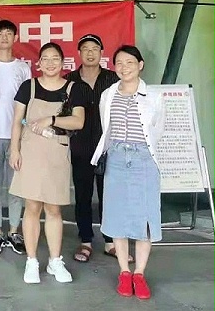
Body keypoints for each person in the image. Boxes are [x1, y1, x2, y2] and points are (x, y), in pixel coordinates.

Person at [90, 45, 165, 300]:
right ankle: (124, 271)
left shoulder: (153, 97)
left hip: (144, 159)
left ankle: (139, 273)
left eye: (130, 62)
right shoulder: (109, 94)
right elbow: (106, 127)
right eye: (119, 63)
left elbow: (158, 129)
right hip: (117, 159)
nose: (124, 67)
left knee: (145, 217)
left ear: (140, 65)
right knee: (117, 215)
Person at [9, 42, 84, 284]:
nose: (50, 63)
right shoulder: (28, 87)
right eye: (45, 59)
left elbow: (78, 121)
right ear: (38, 63)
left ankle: (54, 261)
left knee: (53, 209)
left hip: (57, 153)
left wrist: (51, 119)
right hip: (30, 152)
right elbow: (17, 120)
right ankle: (31, 261)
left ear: (63, 63)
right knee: (32, 206)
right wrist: (14, 150)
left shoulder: (73, 88)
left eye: (55, 59)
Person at [65, 34, 120, 263]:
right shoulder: (69, 80)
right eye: (85, 48)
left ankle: (110, 241)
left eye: (94, 48)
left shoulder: (113, 79)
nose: (90, 53)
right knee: (83, 195)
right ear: (79, 53)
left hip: (108, 146)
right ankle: (85, 240)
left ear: (101, 53)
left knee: (109, 195)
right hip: (80, 147)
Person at [0, 20, 30, 256]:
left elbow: (28, 104)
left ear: (15, 37)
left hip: (15, 136)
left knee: (16, 186)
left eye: (8, 33)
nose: (4, 37)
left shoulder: (23, 68)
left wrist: (22, 135)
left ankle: (14, 231)